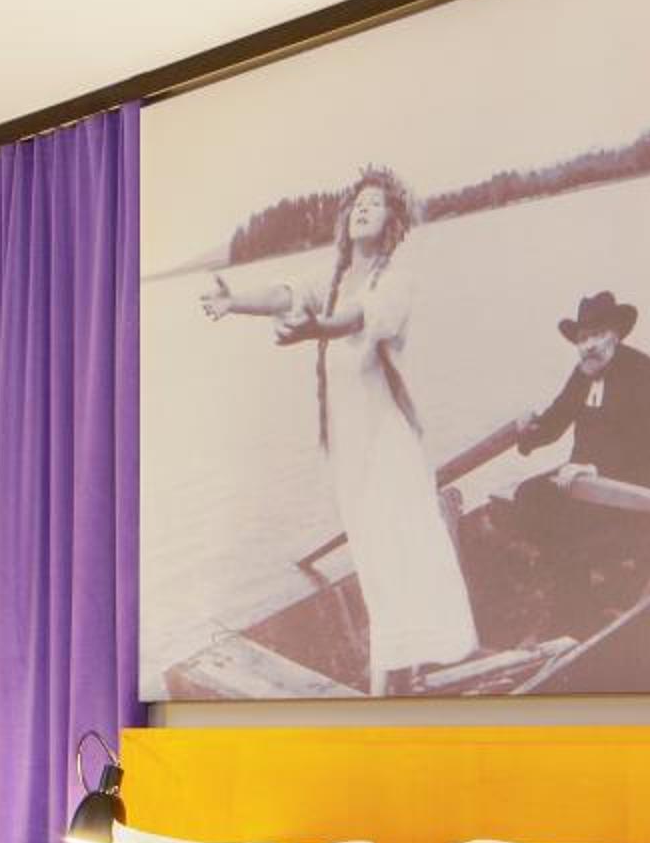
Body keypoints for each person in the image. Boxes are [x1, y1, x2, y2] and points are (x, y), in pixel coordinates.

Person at [198, 169, 478, 690]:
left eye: (376, 203)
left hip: (389, 446)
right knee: (373, 560)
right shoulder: (330, 275)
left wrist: (316, 330)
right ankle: (395, 670)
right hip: (350, 451)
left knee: (405, 549)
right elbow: (283, 294)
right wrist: (233, 301)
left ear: (393, 220)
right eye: (358, 202)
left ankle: (421, 665)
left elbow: (358, 318)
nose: (363, 208)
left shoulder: (396, 280)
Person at [511, 290, 650, 630]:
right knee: (528, 497)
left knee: (574, 527)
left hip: (640, 484)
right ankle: (577, 592)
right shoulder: (584, 372)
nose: (588, 346)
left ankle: (578, 600)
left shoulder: (640, 369)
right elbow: (557, 418)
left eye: (598, 335)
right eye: (582, 338)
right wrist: (529, 431)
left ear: (615, 335)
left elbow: (646, 439)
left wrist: (597, 468)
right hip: (587, 483)